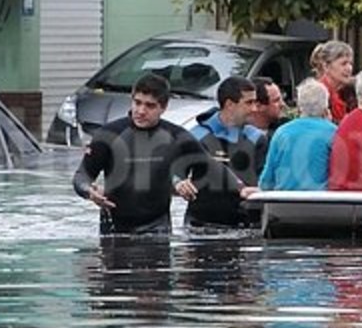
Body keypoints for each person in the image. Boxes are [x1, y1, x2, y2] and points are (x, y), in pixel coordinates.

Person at [73, 73, 205, 235]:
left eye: (150, 106)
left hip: (158, 230)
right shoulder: (108, 134)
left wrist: (185, 186)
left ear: (163, 107)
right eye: (137, 103)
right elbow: (81, 176)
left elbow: (210, 171)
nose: (141, 111)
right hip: (114, 231)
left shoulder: (177, 136)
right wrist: (89, 191)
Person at [184, 76, 268, 228]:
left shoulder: (257, 138)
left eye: (255, 102)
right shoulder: (197, 135)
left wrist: (259, 190)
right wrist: (179, 183)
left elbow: (267, 182)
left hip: (244, 226)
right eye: (249, 103)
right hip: (200, 226)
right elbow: (173, 175)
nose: (254, 109)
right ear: (230, 104)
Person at [258, 79, 337, 190]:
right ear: (325, 108)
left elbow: (267, 179)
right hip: (320, 202)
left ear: (299, 107)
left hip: (283, 202)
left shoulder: (281, 133)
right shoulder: (333, 133)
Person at [310, 40, 355, 123]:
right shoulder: (316, 94)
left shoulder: (348, 92)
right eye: (344, 63)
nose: (349, 68)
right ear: (326, 66)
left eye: (350, 63)